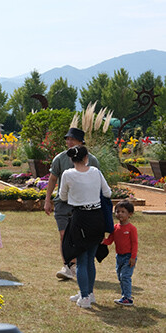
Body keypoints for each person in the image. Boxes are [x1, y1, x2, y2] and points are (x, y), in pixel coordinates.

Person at [44, 128, 100, 280]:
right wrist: (47, 200)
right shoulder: (60, 158)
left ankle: (74, 265)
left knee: (77, 237)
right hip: (63, 203)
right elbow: (53, 179)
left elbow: (98, 182)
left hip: (82, 205)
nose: (69, 142)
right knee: (64, 235)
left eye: (72, 139)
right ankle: (68, 265)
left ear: (81, 142)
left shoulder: (92, 160)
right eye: (67, 139)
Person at [59, 145, 111, 309]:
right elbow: (108, 192)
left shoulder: (67, 174)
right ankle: (88, 293)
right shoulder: (95, 171)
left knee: (81, 259)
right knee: (90, 259)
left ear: (71, 159)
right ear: (86, 157)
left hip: (80, 218)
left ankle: (85, 296)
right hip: (97, 217)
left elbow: (62, 196)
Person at [102, 200, 138, 306]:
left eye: (123, 212)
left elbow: (135, 243)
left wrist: (133, 257)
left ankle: (128, 298)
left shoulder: (132, 229)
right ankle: (126, 294)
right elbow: (109, 241)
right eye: (117, 211)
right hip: (119, 257)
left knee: (125, 276)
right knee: (120, 277)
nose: (120, 214)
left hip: (128, 257)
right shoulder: (115, 228)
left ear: (130, 214)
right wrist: (101, 240)